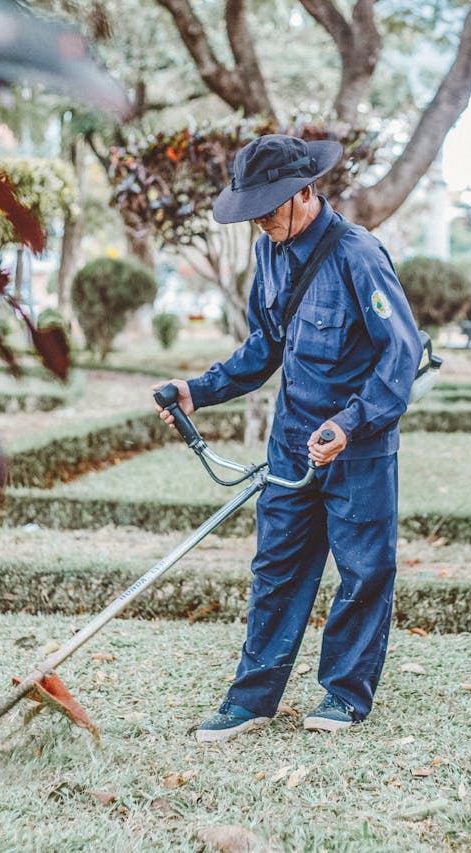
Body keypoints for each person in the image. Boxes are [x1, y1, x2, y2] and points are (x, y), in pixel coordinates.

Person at [153, 133, 423, 742]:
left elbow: (400, 354)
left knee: (362, 571)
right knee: (276, 569)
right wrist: (200, 390)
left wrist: (350, 424)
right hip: (292, 443)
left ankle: (345, 696)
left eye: (269, 208)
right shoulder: (269, 254)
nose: (262, 222)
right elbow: (264, 346)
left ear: (306, 193)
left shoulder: (359, 254)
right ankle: (251, 700)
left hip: (358, 446)